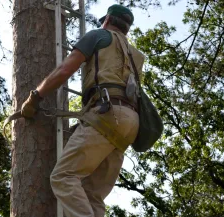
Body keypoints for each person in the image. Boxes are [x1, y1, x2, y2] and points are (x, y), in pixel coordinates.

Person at [21, 4, 145, 217]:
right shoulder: (136, 55)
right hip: (131, 123)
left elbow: (65, 69)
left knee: (64, 176)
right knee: (92, 195)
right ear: (126, 28)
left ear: (107, 20)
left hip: (107, 114)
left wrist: (35, 96)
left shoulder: (98, 35)